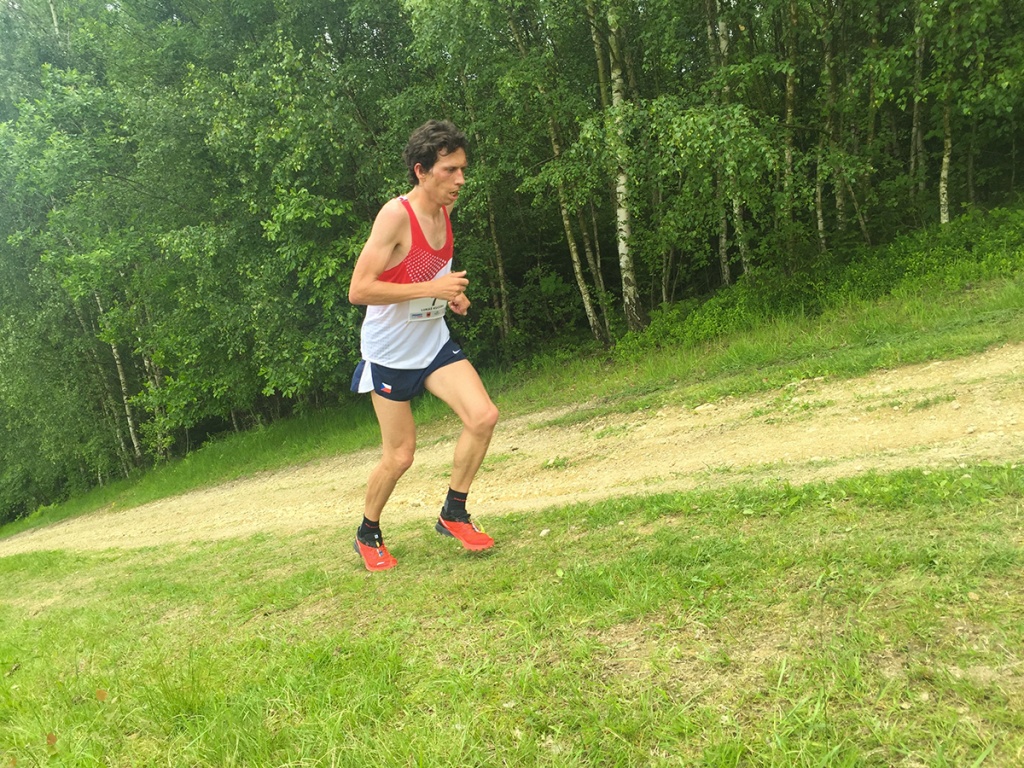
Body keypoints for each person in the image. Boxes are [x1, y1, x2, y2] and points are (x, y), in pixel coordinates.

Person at [347, 120, 500, 571]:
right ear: (421, 171)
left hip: (432, 342)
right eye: (450, 170)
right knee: (400, 456)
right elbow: (359, 290)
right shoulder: (395, 215)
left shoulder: (444, 211)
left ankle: (453, 513)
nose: (461, 179)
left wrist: (450, 295)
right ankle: (367, 533)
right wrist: (432, 287)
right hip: (391, 353)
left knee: (483, 416)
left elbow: (429, 271)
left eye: (462, 169)